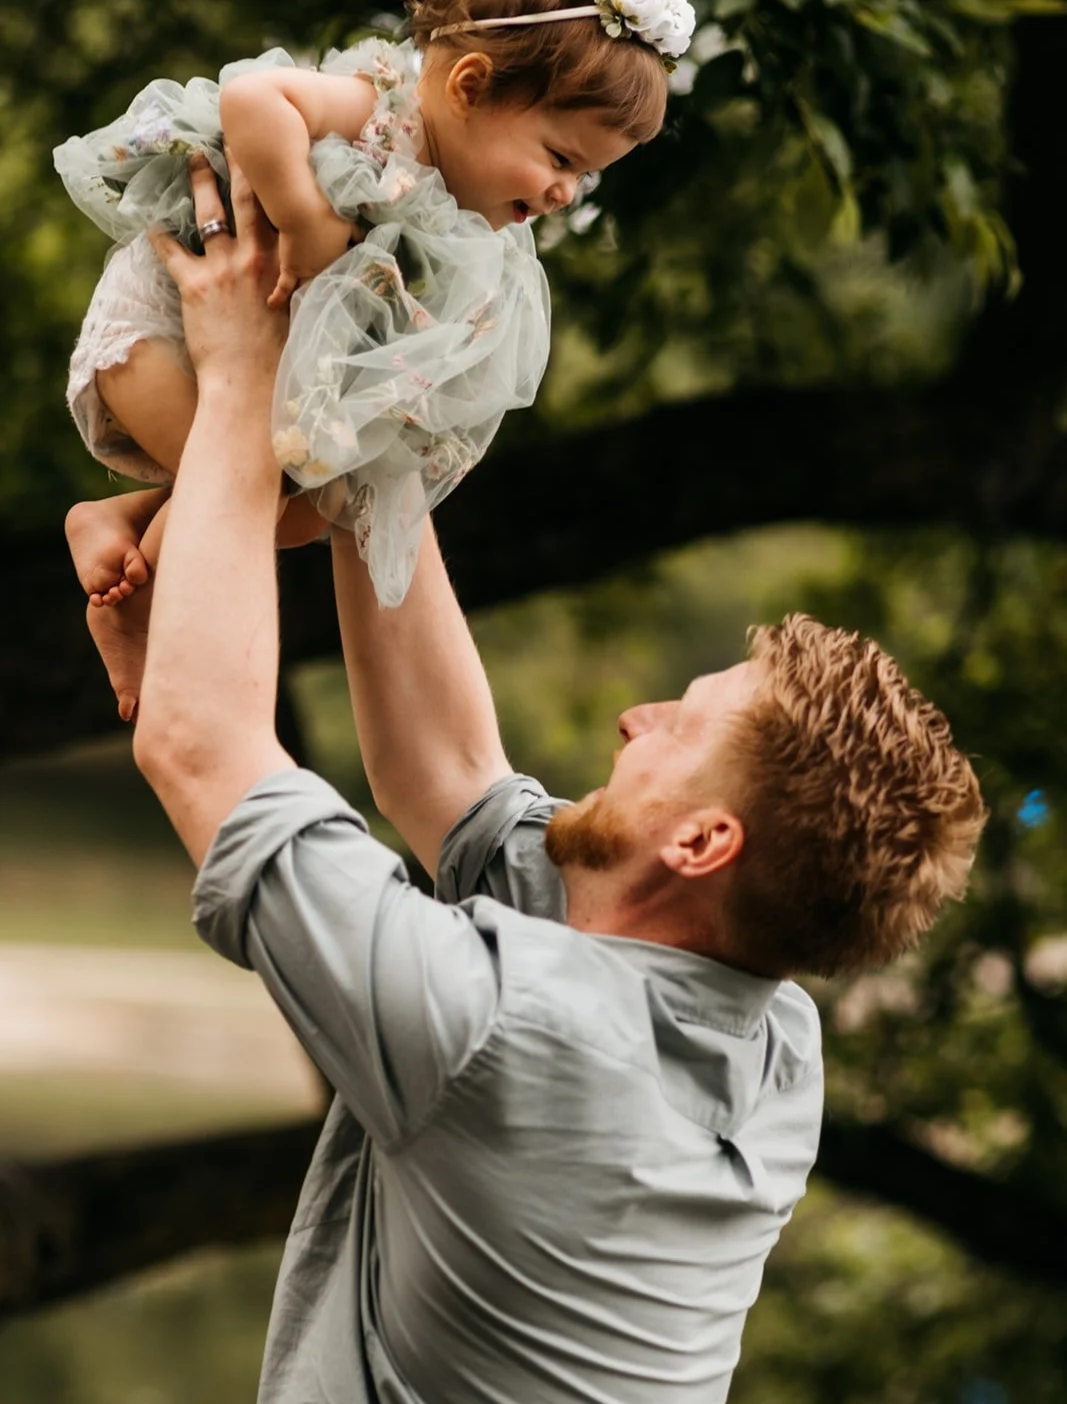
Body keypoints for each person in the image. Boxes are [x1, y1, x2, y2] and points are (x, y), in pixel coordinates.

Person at [88, 154, 987, 1404]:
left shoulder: (508, 1033)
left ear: (702, 845)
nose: (631, 717)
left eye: (675, 728)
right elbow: (444, 770)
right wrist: (367, 397)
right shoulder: (766, 1039)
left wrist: (241, 365)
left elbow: (201, 741)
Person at [58, 0, 695, 691]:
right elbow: (253, 99)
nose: (568, 192)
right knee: (244, 502)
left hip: (243, 384)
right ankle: (136, 619)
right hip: (162, 338)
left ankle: (121, 521)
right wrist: (300, 215)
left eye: (588, 177)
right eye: (561, 158)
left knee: (298, 517)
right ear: (467, 86)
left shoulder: (468, 239)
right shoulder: (375, 110)